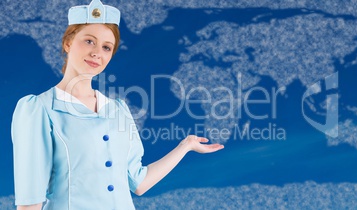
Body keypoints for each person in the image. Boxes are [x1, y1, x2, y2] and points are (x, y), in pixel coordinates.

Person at [11, 0, 224, 209]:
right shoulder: (39, 109)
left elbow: (138, 183)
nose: (97, 53)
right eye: (89, 41)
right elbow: (30, 202)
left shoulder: (118, 110)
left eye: (106, 47)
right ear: (68, 42)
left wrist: (185, 146)